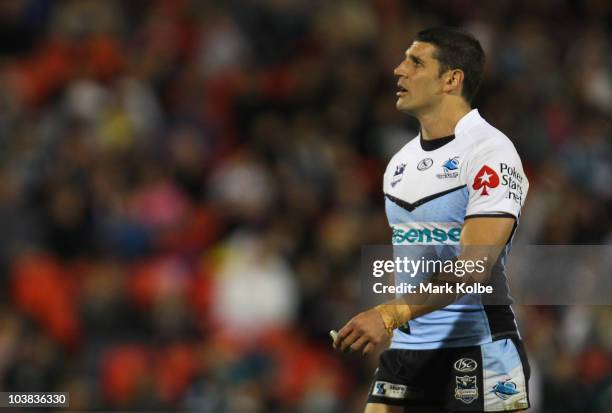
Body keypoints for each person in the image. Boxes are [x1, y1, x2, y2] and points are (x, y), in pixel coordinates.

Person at [333, 28, 531, 412]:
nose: (398, 70)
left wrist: (389, 314)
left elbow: (475, 265)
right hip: (408, 352)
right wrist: (391, 324)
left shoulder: (491, 151)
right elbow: (410, 258)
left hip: (477, 350)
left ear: (452, 79)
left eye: (415, 62)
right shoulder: (400, 163)